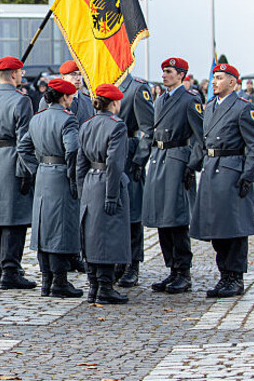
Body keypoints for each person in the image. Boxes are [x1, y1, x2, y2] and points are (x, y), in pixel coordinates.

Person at [190, 63, 254, 298]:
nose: (214, 82)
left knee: (234, 228)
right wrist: (193, 165)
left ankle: (235, 277)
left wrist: (249, 175)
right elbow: (203, 141)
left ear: (232, 82)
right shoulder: (210, 106)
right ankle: (224, 275)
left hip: (232, 171)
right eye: (214, 78)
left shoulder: (243, 108)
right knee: (218, 227)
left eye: (220, 78)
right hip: (212, 170)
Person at [144, 58, 204, 295]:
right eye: (164, 72)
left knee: (177, 219)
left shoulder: (190, 101)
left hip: (178, 159)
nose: (164, 76)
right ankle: (172, 269)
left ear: (181, 75)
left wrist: (192, 164)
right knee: (162, 219)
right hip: (160, 158)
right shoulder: (160, 99)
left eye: (169, 72)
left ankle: (183, 271)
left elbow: (201, 136)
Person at [20, 78, 82, 298]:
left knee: (43, 228)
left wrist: (36, 168)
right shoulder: (68, 120)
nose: (72, 101)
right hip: (61, 175)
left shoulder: (38, 118)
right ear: (64, 97)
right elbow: (73, 149)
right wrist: (73, 175)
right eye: (71, 97)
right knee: (60, 228)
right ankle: (60, 281)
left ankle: (46, 281)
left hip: (44, 174)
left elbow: (23, 146)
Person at [0, 56, 36, 289]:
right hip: (12, 159)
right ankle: (10, 270)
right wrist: (28, 170)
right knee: (14, 217)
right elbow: (25, 140)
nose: (22, 76)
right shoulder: (21, 101)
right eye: (20, 73)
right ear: (13, 74)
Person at [77, 83, 131, 304]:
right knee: (109, 236)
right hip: (107, 183)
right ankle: (105, 287)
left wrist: (82, 189)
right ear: (116, 103)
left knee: (91, 235)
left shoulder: (87, 124)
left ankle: (93, 286)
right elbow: (115, 163)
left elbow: (79, 163)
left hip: (90, 181)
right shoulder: (116, 126)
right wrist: (111, 194)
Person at [116, 73, 154, 288]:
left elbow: (148, 130)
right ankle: (117, 262)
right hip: (107, 155)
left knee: (132, 214)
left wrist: (140, 159)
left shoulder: (137, 88)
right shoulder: (101, 82)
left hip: (129, 154)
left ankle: (132, 264)